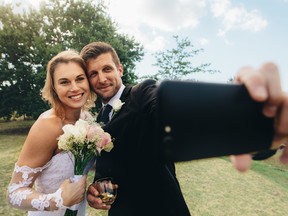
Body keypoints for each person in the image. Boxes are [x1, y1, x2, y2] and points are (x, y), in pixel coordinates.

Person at [80, 42, 288, 216]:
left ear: (120, 69)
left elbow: (175, 113)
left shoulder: (142, 94)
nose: (102, 78)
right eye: (93, 73)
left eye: (107, 69)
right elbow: (107, 169)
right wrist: (96, 189)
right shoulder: (98, 120)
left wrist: (247, 117)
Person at [7, 50, 96, 215]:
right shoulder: (47, 125)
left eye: (80, 79)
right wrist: (58, 200)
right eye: (64, 82)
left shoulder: (87, 119)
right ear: (54, 88)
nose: (75, 88)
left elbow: (84, 163)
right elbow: (14, 193)